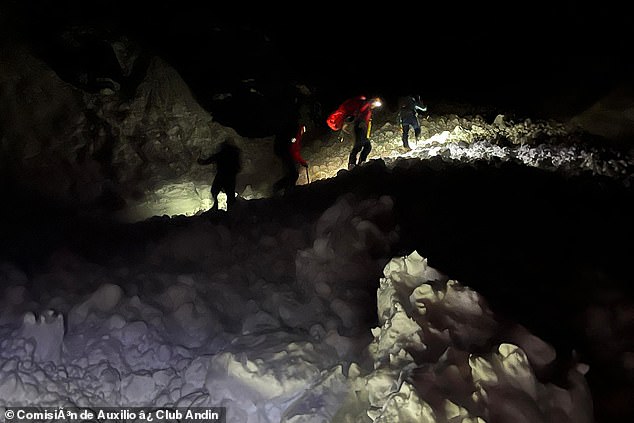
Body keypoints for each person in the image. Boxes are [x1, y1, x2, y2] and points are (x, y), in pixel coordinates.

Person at [197, 137, 242, 211]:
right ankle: (231, 212)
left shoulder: (222, 154)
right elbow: (238, 167)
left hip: (221, 176)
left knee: (215, 191)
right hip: (230, 177)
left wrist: (202, 161)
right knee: (230, 194)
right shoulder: (234, 154)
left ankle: (216, 208)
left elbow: (211, 159)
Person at [338, 95, 382, 170]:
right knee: (361, 146)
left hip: (362, 128)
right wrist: (369, 102)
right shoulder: (365, 105)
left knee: (363, 146)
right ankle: (353, 164)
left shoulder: (368, 109)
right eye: (375, 103)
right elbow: (360, 111)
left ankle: (358, 163)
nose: (375, 106)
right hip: (359, 127)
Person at [273, 124, 308, 195]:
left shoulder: (295, 134)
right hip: (285, 152)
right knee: (293, 174)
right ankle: (281, 188)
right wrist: (301, 161)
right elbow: (294, 150)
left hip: (284, 152)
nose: (303, 132)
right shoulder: (294, 134)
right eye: (303, 130)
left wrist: (302, 161)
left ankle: (286, 189)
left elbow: (295, 150)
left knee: (291, 174)